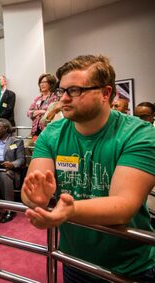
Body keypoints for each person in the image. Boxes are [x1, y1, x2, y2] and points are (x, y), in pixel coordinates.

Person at [21, 55, 155, 282]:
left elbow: (123, 206)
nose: (63, 98)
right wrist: (36, 199)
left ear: (105, 93)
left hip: (130, 267)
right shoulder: (51, 135)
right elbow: (30, 192)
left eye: (74, 90)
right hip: (75, 261)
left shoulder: (139, 135)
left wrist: (68, 212)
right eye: (62, 90)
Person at [0, 119, 25, 223]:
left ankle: (10, 209)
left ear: (5, 128)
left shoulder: (16, 141)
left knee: (3, 176)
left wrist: (12, 164)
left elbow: (21, 160)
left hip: (8, 170)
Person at [27, 73, 59, 141]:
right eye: (40, 82)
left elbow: (52, 114)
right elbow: (29, 113)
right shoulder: (38, 99)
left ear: (51, 84)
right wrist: (41, 111)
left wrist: (36, 113)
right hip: (35, 131)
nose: (42, 84)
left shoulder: (55, 98)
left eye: (44, 82)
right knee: (27, 147)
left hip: (48, 130)